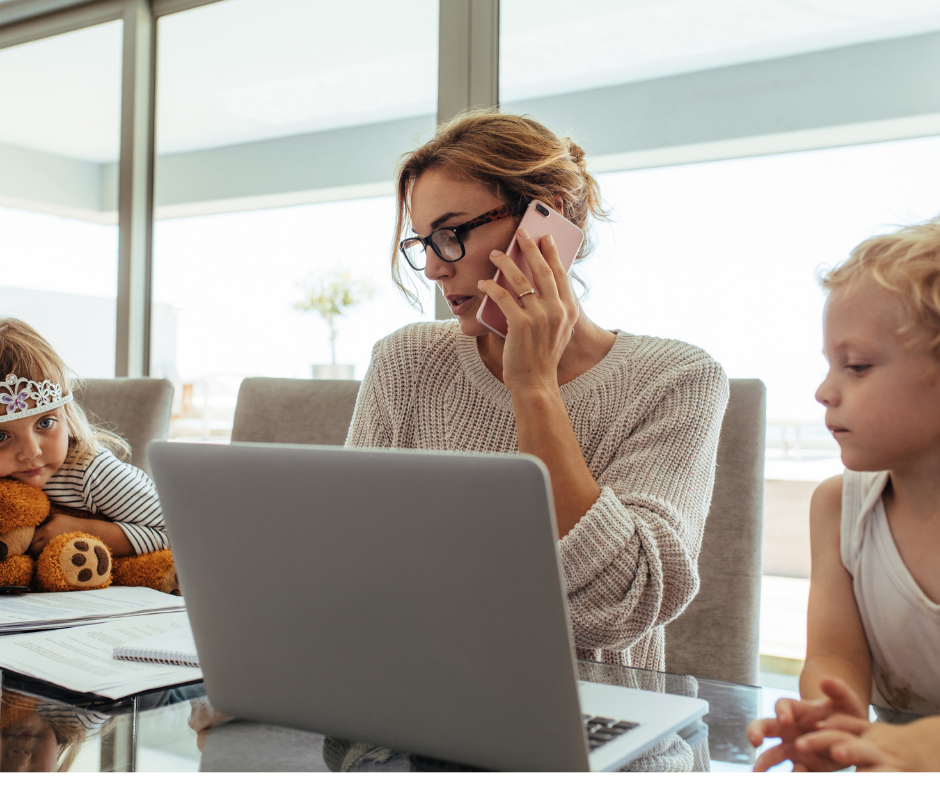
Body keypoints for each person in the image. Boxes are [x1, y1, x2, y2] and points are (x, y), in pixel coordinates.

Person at [346, 110, 729, 670]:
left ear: (547, 217)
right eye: (423, 242)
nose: (432, 268)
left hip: (588, 722)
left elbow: (614, 609)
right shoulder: (406, 362)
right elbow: (354, 565)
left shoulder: (676, 380)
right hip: (416, 696)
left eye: (450, 235)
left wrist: (534, 388)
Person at [748, 217, 940, 771]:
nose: (824, 391)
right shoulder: (839, 506)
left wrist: (914, 748)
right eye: (830, 365)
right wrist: (834, 713)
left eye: (857, 367)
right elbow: (834, 653)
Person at [0, 318, 167, 558]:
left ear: (66, 415)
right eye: (2, 436)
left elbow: (174, 531)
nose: (31, 451)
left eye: (45, 423)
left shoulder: (92, 472)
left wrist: (82, 530)